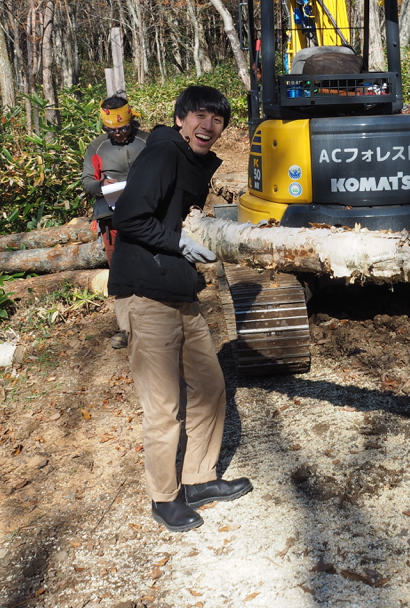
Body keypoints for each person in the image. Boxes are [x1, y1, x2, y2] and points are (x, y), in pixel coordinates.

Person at [108, 85, 251, 532]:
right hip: (145, 296)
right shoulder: (164, 154)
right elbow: (129, 215)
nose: (208, 126)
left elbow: (174, 217)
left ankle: (199, 479)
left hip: (178, 293)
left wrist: (195, 246)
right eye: (200, 116)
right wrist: (178, 243)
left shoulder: (191, 161)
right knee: (164, 406)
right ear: (180, 119)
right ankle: (164, 498)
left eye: (218, 120)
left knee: (209, 385)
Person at [81, 94, 149, 349]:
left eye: (123, 129)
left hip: (147, 213)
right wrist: (101, 185)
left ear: (132, 121)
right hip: (112, 216)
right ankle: (126, 327)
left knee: (150, 265)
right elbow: (87, 181)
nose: (119, 134)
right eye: (112, 130)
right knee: (120, 272)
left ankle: (154, 323)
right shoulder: (97, 147)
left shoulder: (147, 141)